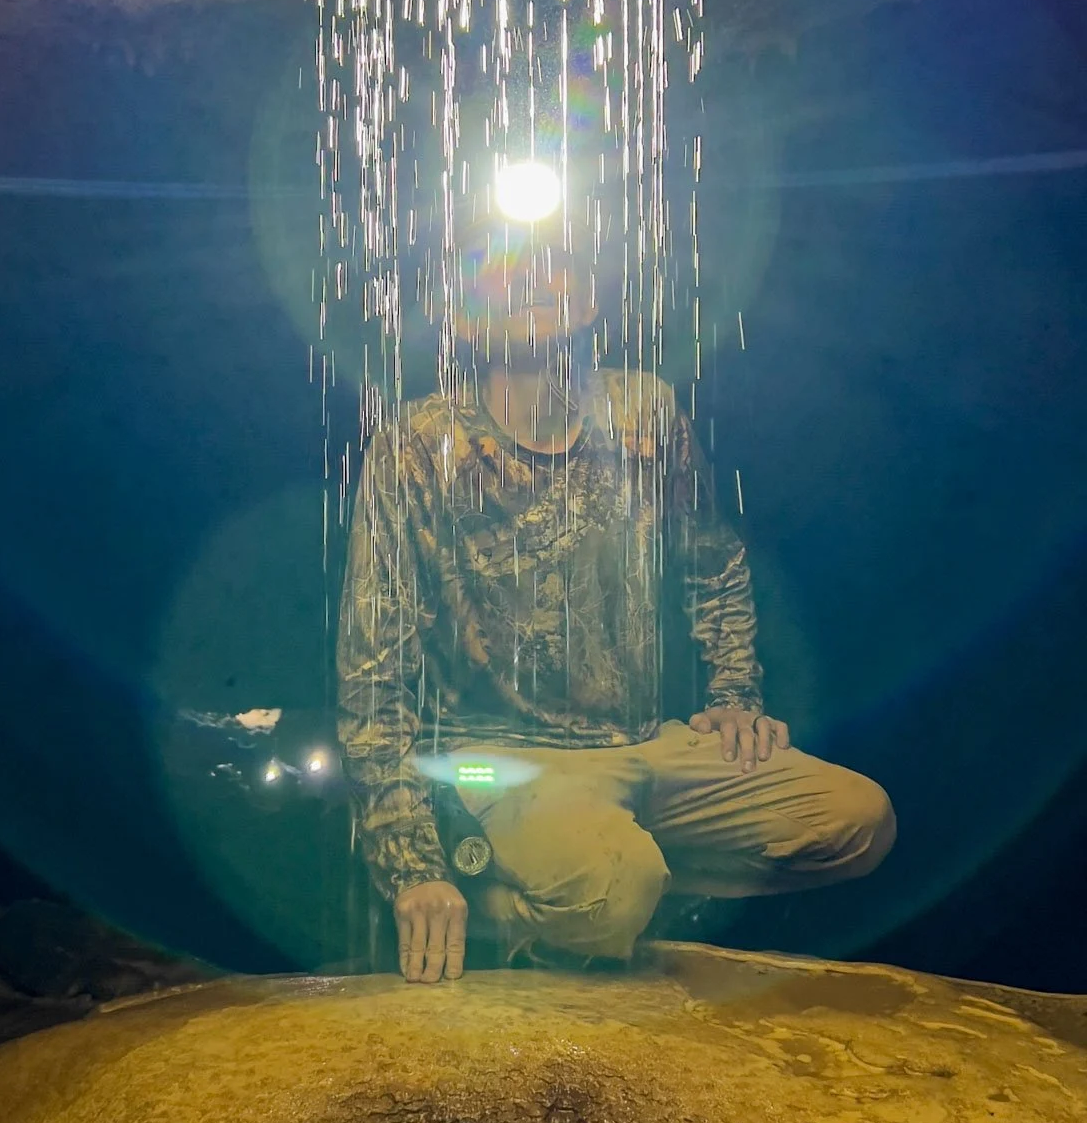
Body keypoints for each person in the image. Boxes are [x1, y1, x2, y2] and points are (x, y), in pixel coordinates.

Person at [337, 205, 895, 984]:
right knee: (612, 886)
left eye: (554, 261)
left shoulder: (644, 412)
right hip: (499, 757)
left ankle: (620, 883)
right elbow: (374, 669)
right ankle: (507, 897)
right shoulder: (418, 445)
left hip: (646, 744)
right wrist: (412, 866)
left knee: (855, 820)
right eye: (502, 268)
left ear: (590, 297)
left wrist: (736, 693)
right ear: (463, 314)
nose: (532, 281)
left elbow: (713, 562)